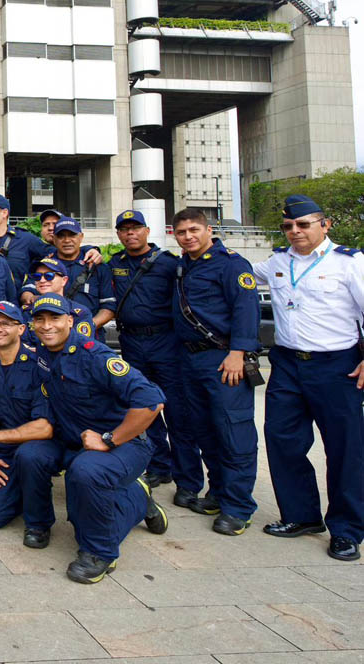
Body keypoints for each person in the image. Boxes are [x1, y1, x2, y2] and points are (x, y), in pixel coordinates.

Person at [18, 294, 168, 583]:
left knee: (85, 473)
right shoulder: (43, 352)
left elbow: (152, 401)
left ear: (70, 321)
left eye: (55, 318)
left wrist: (110, 439)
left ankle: (101, 550)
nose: (47, 326)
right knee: (30, 455)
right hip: (72, 439)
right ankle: (38, 525)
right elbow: (12, 344)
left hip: (122, 445)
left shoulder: (95, 356)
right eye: (40, 319)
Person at [252, 194, 364, 561]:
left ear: (325, 225)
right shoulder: (278, 262)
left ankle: (346, 530)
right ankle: (301, 516)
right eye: (288, 226)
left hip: (337, 365)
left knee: (345, 448)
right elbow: (236, 270)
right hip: (287, 363)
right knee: (282, 440)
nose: (295, 231)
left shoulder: (349, 262)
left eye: (303, 224)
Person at [171, 208, 261, 536]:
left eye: (194, 230)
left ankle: (238, 507)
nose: (188, 237)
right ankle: (219, 493)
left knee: (233, 432)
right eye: (182, 232)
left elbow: (246, 309)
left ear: (209, 230)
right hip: (190, 360)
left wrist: (239, 352)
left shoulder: (232, 264)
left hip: (224, 360)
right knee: (205, 431)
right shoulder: (183, 265)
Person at [108, 210, 195, 495]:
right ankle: (159, 466)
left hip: (165, 342)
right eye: (124, 229)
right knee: (145, 407)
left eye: (135, 228)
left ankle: (188, 480)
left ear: (147, 231)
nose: (130, 233)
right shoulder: (115, 263)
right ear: (119, 234)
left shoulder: (169, 263)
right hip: (131, 343)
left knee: (178, 412)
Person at [0, 301, 52, 541]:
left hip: (36, 446)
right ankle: (22, 490)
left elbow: (45, 428)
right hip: (5, 450)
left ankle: (39, 522)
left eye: (6, 324)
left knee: (30, 457)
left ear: (21, 329)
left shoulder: (38, 366)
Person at [0, 194, 99, 284]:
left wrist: (90, 249)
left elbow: (61, 252)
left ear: (4, 213)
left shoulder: (25, 239)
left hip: (16, 305)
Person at [43, 217, 115, 340]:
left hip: (90, 338)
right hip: (52, 337)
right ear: (54, 239)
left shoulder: (98, 266)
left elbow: (109, 307)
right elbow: (29, 295)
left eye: (72, 235)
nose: (67, 240)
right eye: (61, 236)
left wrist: (87, 326)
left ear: (81, 237)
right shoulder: (44, 266)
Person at [25, 258, 97, 342]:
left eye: (49, 276)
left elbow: (82, 345)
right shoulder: (27, 311)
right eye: (37, 276)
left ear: (64, 280)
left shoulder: (79, 313)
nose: (42, 280)